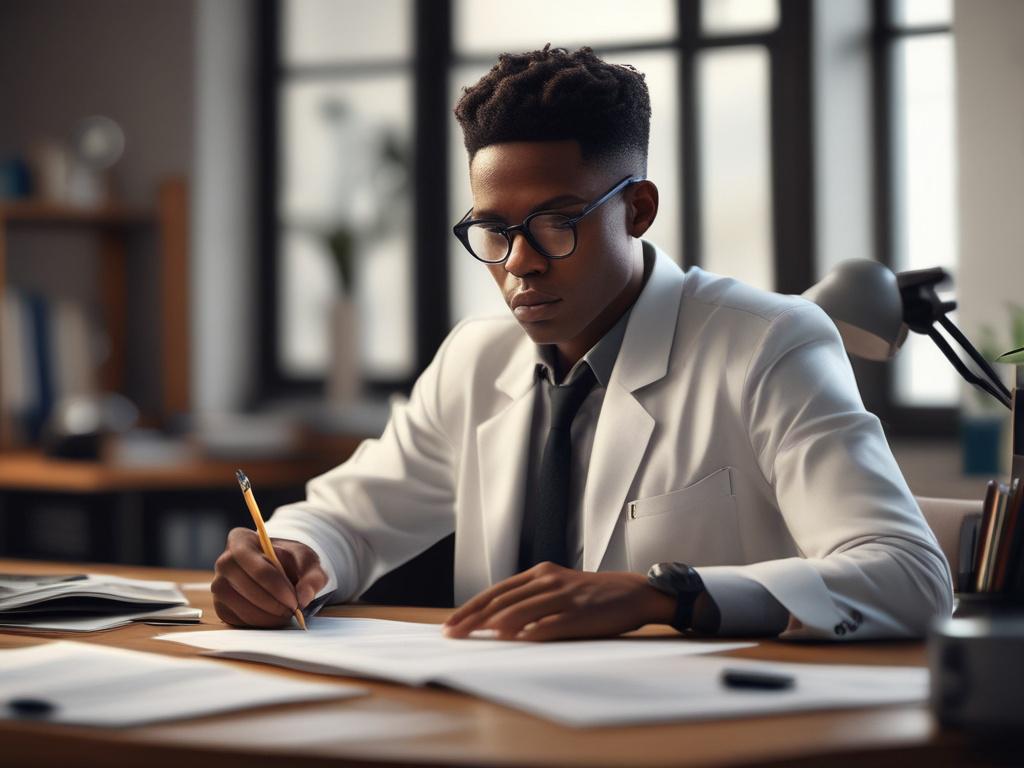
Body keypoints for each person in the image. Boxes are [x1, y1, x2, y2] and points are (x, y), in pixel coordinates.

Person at [212, 45, 953, 641]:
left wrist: (665, 596)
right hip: (493, 722)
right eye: (494, 230)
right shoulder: (476, 358)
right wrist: (294, 556)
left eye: (556, 223)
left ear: (638, 209)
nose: (520, 262)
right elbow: (348, 518)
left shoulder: (767, 343)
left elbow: (910, 576)